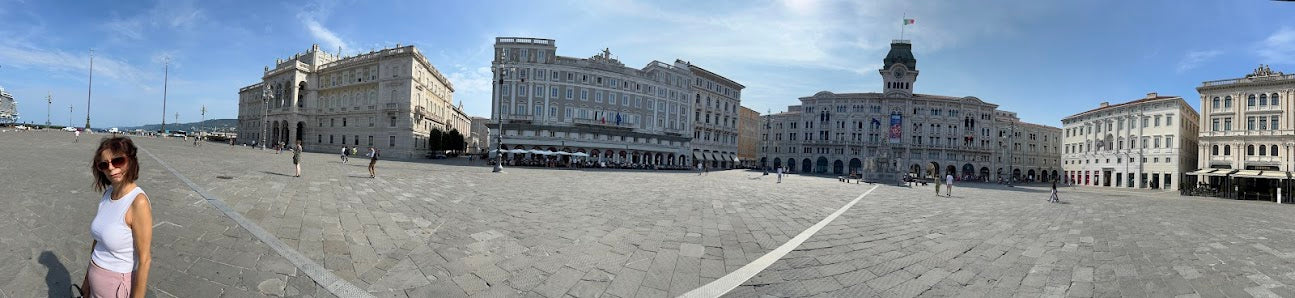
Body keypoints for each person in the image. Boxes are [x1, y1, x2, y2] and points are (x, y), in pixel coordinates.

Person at [83, 136, 153, 298]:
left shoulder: (138, 202)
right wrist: (87, 282)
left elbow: (145, 260)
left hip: (116, 286)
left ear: (130, 161)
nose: (112, 168)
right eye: (104, 165)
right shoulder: (108, 194)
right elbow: (98, 242)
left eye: (118, 161)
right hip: (94, 281)